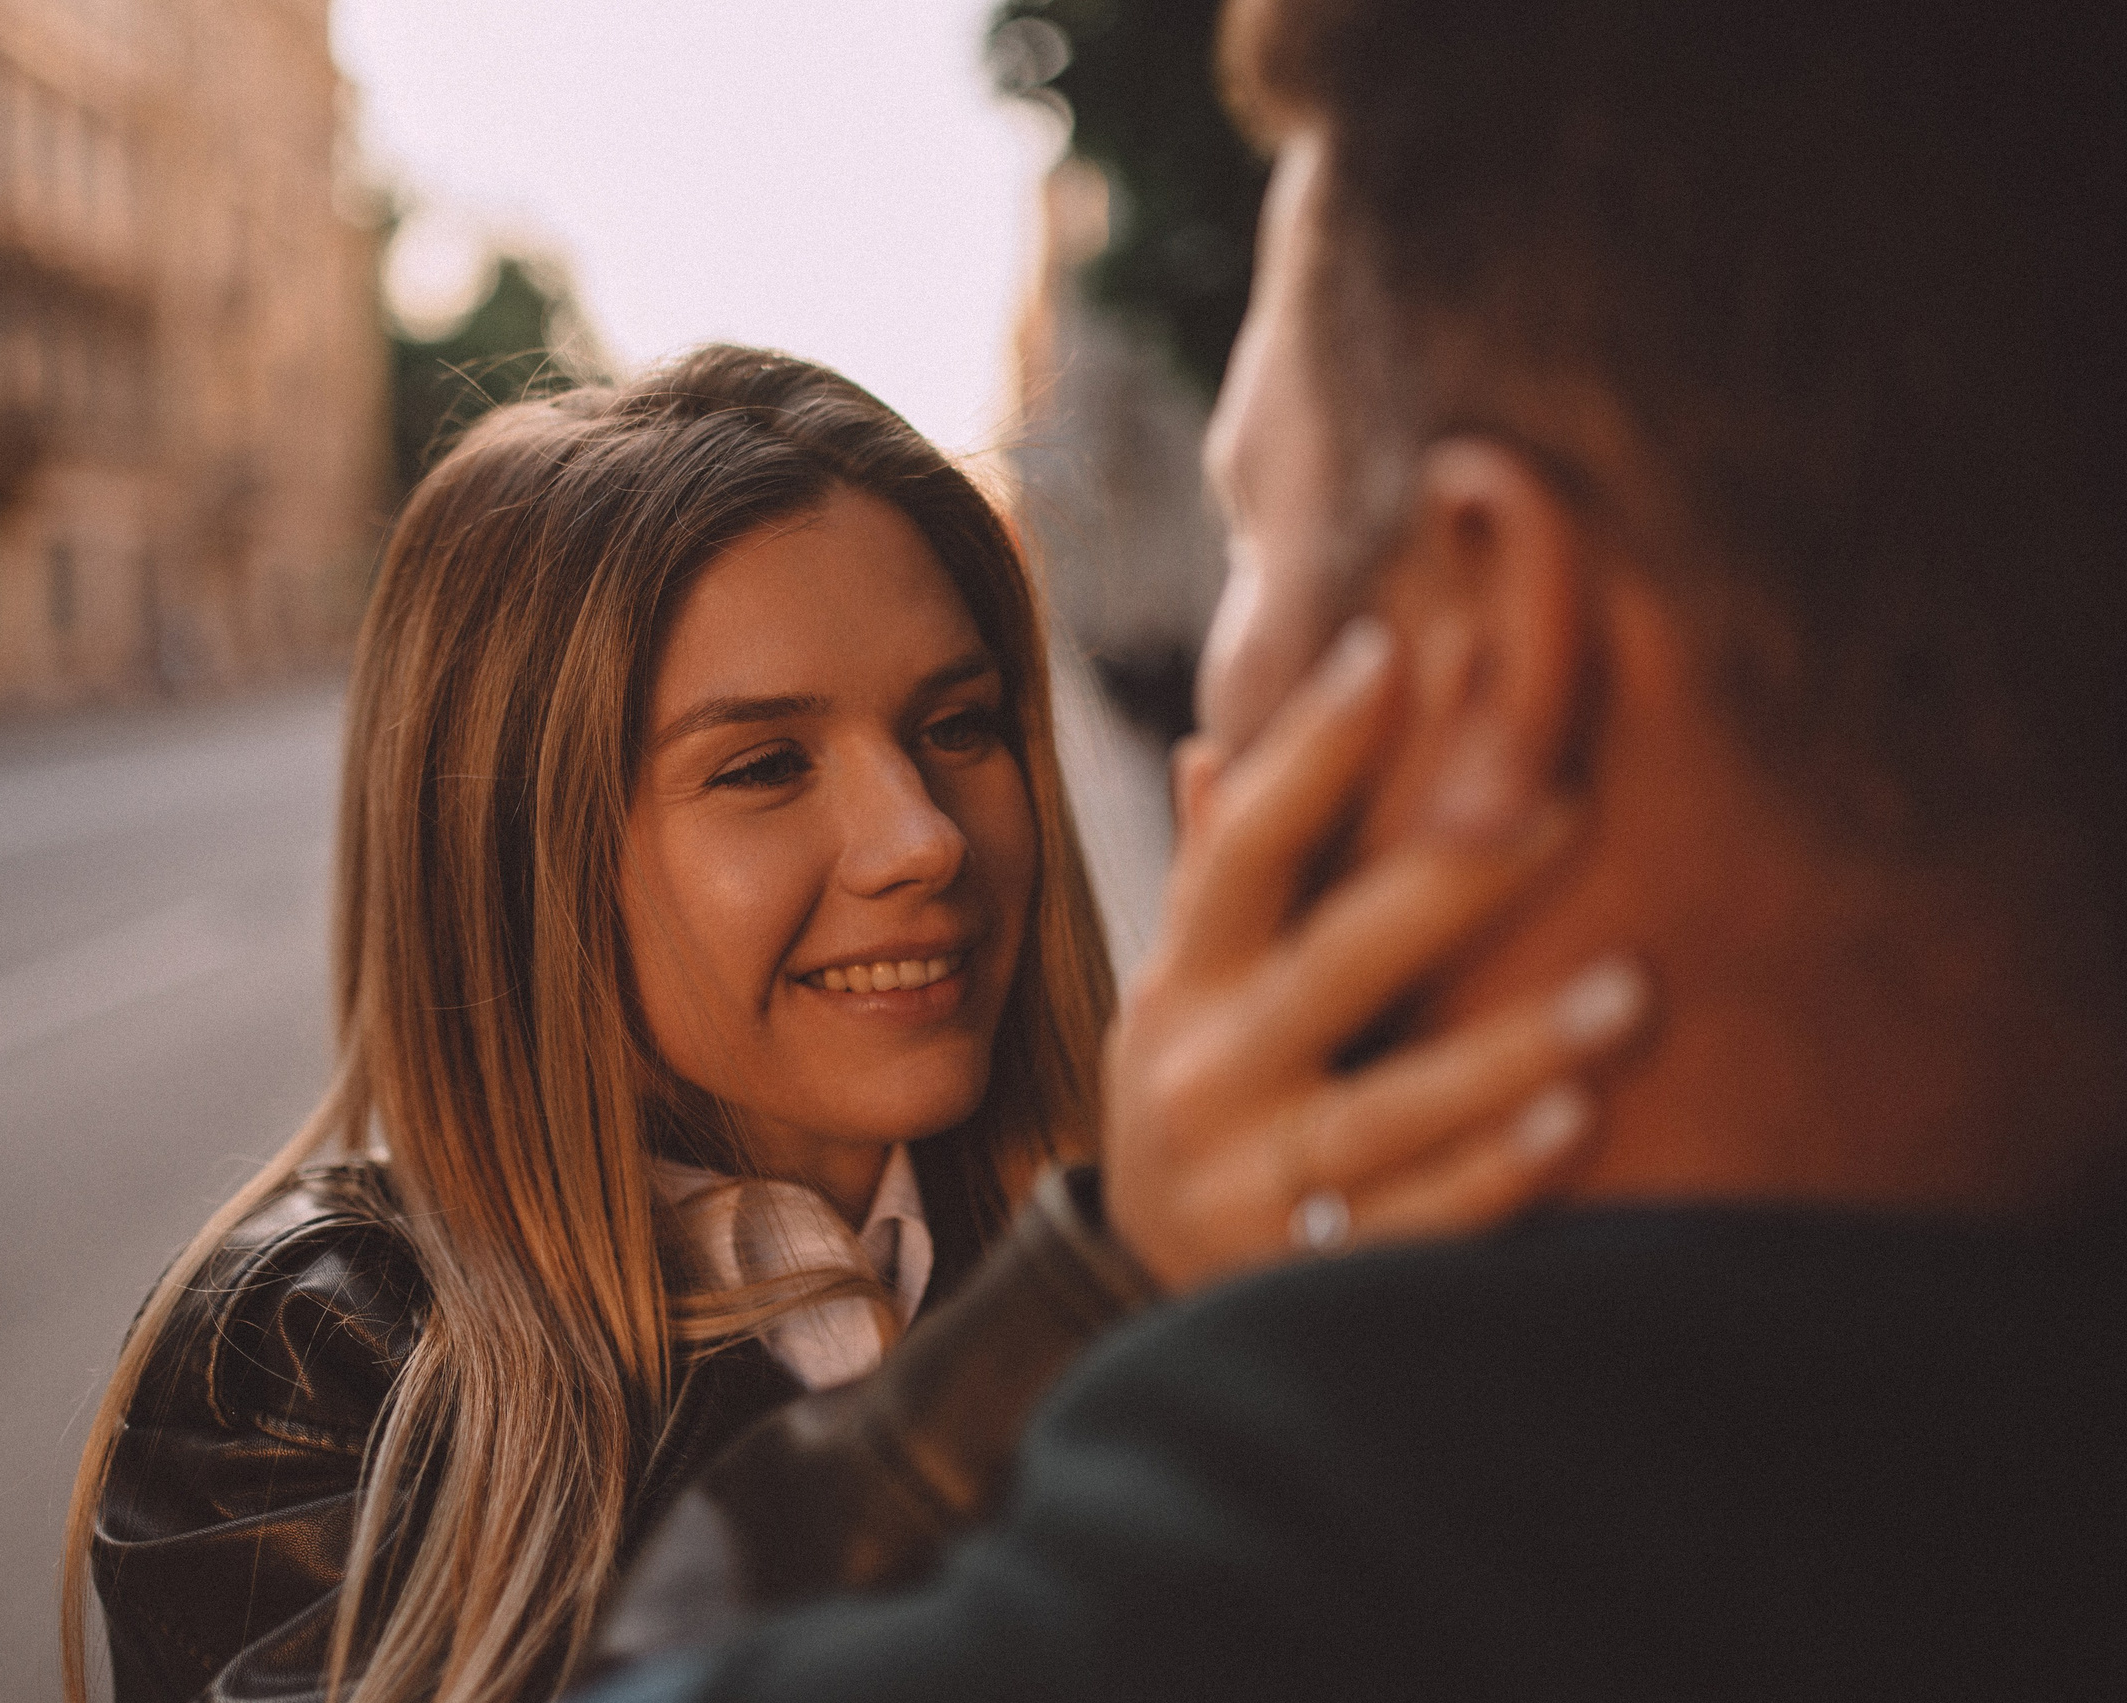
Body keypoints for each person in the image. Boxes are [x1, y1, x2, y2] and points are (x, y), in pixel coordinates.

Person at [571, 1, 2127, 1698]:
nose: (921, 841)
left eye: (1251, 526)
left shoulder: (1246, 1561)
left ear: (1483, 644)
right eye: (764, 763)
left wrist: (1097, 1300)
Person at [60, 346, 1639, 1703]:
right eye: (762, 765)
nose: (924, 839)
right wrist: (1078, 1311)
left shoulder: (1200, 1240)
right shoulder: (313, 1354)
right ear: (518, 856)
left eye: (958, 727)